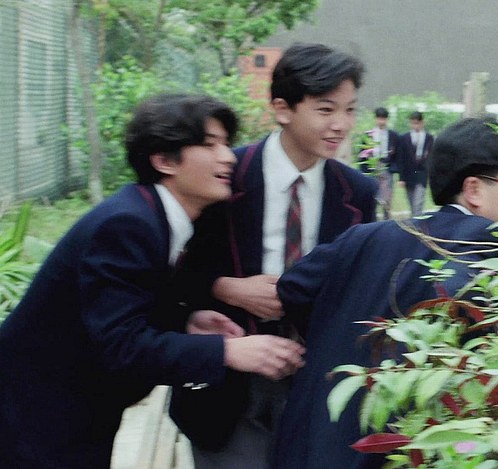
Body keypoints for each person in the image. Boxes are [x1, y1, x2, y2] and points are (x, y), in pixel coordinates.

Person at [0, 94, 304, 469]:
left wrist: (185, 322)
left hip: (67, 410)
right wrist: (228, 351)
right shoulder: (127, 225)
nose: (228, 157)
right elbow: (122, 344)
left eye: (226, 143)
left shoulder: (152, 216)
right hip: (35, 417)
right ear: (163, 161)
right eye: (209, 145)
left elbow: (120, 308)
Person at [272, 117, 498, 469]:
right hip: (384, 452)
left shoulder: (367, 236)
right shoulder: (484, 248)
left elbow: (292, 287)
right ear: (474, 189)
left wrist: (335, 338)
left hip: (305, 442)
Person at [170, 42, 377, 468]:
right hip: (227, 381)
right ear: (283, 109)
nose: (341, 124)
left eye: (350, 110)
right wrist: (225, 288)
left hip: (311, 380)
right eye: (325, 110)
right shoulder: (221, 176)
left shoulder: (358, 193)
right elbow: (168, 271)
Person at [358, 107, 400, 219]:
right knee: (373, 198)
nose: (381, 121)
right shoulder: (368, 135)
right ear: (375, 119)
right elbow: (362, 154)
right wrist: (363, 171)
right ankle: (373, 222)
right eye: (379, 118)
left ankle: (386, 222)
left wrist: (392, 169)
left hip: (386, 168)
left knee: (387, 200)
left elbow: (398, 155)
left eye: (384, 119)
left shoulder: (393, 135)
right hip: (372, 168)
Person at [397, 111, 434, 216]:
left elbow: (431, 156)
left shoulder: (429, 138)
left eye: (417, 123)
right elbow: (401, 158)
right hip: (408, 174)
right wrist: (401, 178)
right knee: (412, 203)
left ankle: (417, 222)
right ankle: (415, 221)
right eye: (413, 123)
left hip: (422, 173)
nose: (415, 126)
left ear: (422, 123)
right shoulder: (404, 138)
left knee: (418, 203)